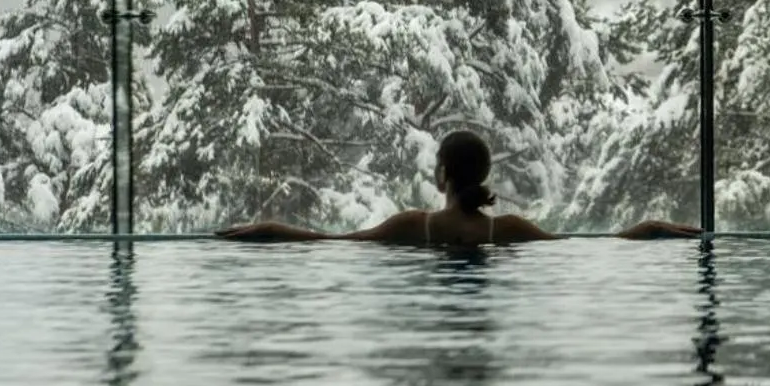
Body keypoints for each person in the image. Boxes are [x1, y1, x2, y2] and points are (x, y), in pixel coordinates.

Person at [215, 130, 700, 248]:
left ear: (442, 174)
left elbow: (327, 245)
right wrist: (653, 228)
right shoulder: (505, 229)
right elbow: (588, 247)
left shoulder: (412, 225)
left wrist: (270, 228)